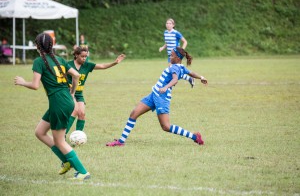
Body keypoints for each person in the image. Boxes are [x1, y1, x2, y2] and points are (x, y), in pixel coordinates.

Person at [14, 33, 90, 181]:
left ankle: (82, 172)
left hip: (58, 102)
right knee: (40, 132)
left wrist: (23, 82)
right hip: (65, 100)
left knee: (60, 141)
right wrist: (72, 92)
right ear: (51, 45)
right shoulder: (59, 59)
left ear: (37, 46)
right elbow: (76, 75)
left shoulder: (39, 61)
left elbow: (35, 85)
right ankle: (67, 160)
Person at [106, 47, 207, 147]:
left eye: (172, 55)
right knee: (134, 113)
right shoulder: (180, 67)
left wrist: (166, 87)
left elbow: (175, 80)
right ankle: (121, 141)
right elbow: (191, 73)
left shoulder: (174, 67)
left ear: (177, 58)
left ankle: (194, 136)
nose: (170, 56)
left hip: (161, 98)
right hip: (154, 94)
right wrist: (201, 77)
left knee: (166, 127)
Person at [65, 46, 126, 136]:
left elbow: (102, 66)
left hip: (79, 94)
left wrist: (115, 63)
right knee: (75, 110)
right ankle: (62, 135)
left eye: (86, 56)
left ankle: (78, 136)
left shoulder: (87, 65)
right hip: (69, 93)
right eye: (82, 56)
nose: (84, 58)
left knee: (82, 113)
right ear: (76, 55)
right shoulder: (68, 65)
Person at [159, 18, 195, 88]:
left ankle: (173, 82)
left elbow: (185, 41)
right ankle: (189, 79)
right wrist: (162, 47)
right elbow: (167, 42)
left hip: (176, 56)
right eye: (167, 23)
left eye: (170, 23)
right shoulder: (165, 32)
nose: (168, 25)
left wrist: (181, 51)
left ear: (173, 25)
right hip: (170, 55)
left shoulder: (176, 33)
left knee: (172, 69)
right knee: (173, 70)